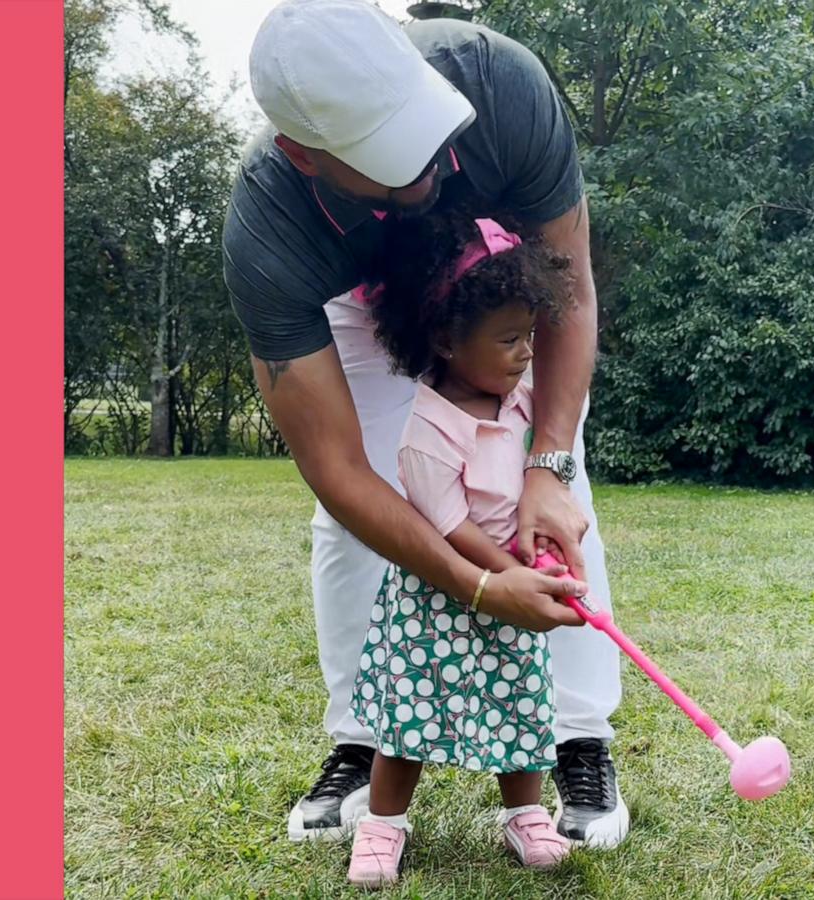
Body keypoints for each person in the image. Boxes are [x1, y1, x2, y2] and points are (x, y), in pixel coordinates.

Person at [225, 0, 629, 849]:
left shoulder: (499, 82)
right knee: (351, 521)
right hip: (358, 304)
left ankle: (577, 737)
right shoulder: (269, 230)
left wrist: (546, 464)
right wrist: (481, 588)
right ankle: (359, 737)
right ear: (305, 156)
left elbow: (573, 289)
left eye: (429, 131)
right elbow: (338, 468)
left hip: (498, 286)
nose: (435, 168)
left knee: (557, 483)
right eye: (392, 161)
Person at [345, 212, 575, 886]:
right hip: (438, 593)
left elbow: (542, 470)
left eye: (529, 335)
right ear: (446, 339)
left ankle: (525, 814)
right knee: (410, 716)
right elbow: (450, 529)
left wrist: (545, 549)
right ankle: (383, 824)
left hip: (517, 579)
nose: (525, 353)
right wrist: (514, 573)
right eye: (508, 339)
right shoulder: (427, 431)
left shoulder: (520, 402)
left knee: (522, 702)